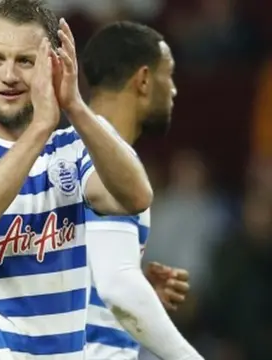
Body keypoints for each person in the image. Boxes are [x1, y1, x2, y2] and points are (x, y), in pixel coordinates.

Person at [0, 0, 154, 359]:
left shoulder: (75, 147)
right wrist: (40, 127)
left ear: (53, 66)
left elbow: (135, 197)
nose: (9, 75)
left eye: (25, 61)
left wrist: (75, 108)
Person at [80, 22, 202, 359]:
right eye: (170, 75)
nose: (174, 90)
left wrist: (141, 289)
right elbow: (117, 287)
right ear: (144, 79)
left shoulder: (68, 151)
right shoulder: (110, 164)